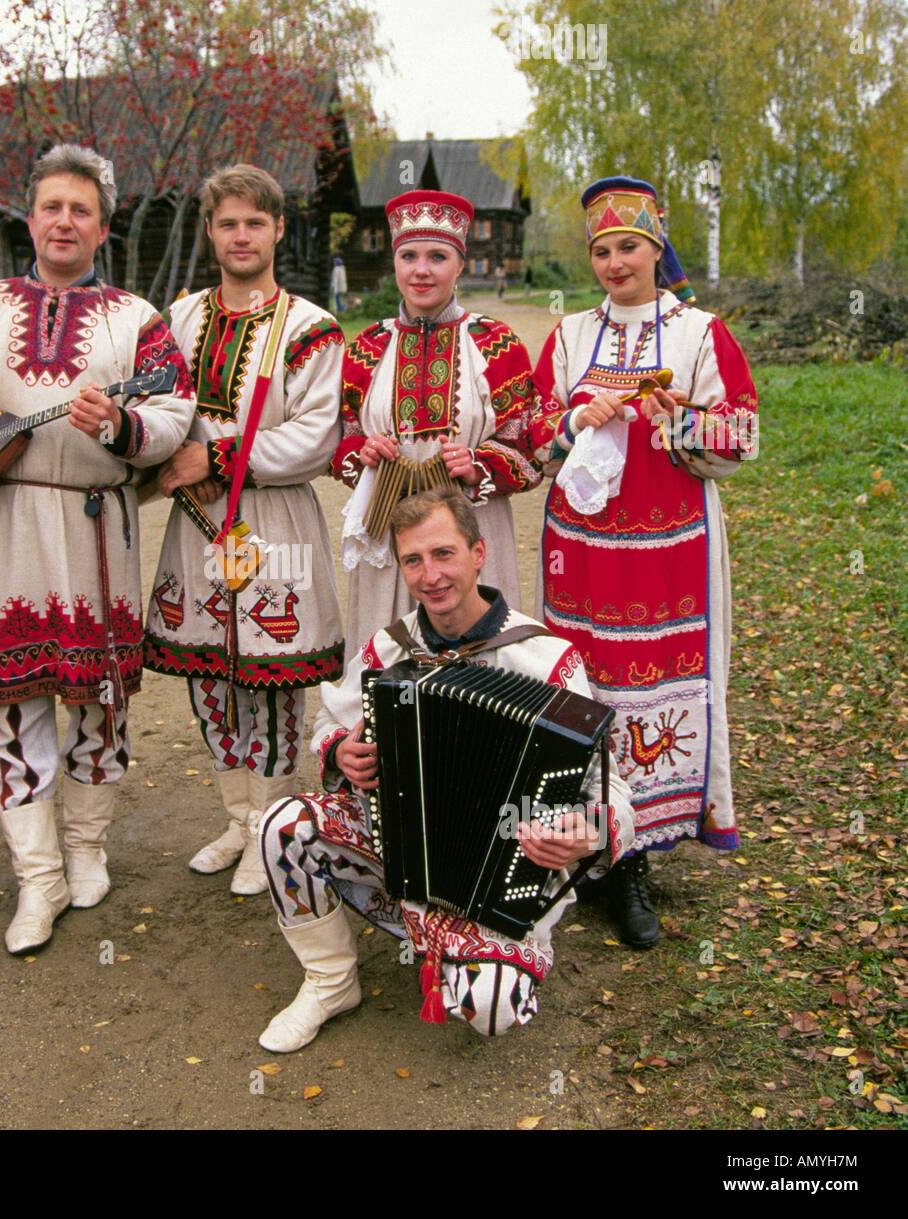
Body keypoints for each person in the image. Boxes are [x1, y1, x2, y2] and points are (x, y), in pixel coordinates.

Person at [0, 145, 194, 954]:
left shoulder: (138, 318)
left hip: (100, 520)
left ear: (103, 226)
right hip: (8, 522)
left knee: (100, 696)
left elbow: (175, 410)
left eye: (81, 210)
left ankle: (87, 847)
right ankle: (38, 876)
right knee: (14, 697)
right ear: (32, 218)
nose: (65, 220)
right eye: (52, 206)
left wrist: (123, 426)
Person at [255, 488, 635, 1051]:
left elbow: (613, 790)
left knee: (491, 1009)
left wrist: (591, 831)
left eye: (443, 554)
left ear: (478, 553)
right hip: (399, 849)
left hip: (506, 875)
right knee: (280, 826)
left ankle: (468, 948)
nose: (429, 576)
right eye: (413, 560)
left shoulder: (548, 660)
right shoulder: (391, 647)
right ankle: (331, 981)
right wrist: (339, 751)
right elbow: (329, 725)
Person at [528, 176, 758, 948]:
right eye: (601, 249)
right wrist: (570, 420)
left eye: (629, 245)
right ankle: (583, 847)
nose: (614, 261)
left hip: (670, 549)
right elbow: (530, 438)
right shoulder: (567, 337)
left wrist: (680, 419)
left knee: (653, 685)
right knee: (582, 682)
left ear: (657, 248)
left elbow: (744, 434)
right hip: (581, 551)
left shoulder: (699, 333)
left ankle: (635, 859)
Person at [144, 164, 345, 894]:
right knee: (211, 676)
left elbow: (316, 439)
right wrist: (168, 453)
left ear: (278, 230)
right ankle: (236, 820)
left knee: (272, 677)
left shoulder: (312, 327)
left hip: (271, 513)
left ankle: (275, 825)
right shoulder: (180, 318)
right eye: (227, 222)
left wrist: (218, 454)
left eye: (254, 223)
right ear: (210, 231)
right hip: (197, 518)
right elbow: (162, 408)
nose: (240, 235)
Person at [331, 189, 542, 656]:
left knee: (480, 656)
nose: (421, 270)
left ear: (461, 264)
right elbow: (341, 442)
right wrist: (362, 454)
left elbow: (529, 452)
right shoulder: (366, 347)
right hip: (387, 530)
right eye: (408, 256)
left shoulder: (497, 344)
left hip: (473, 524)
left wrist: (477, 464)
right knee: (388, 654)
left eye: (437, 256)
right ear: (395, 262)